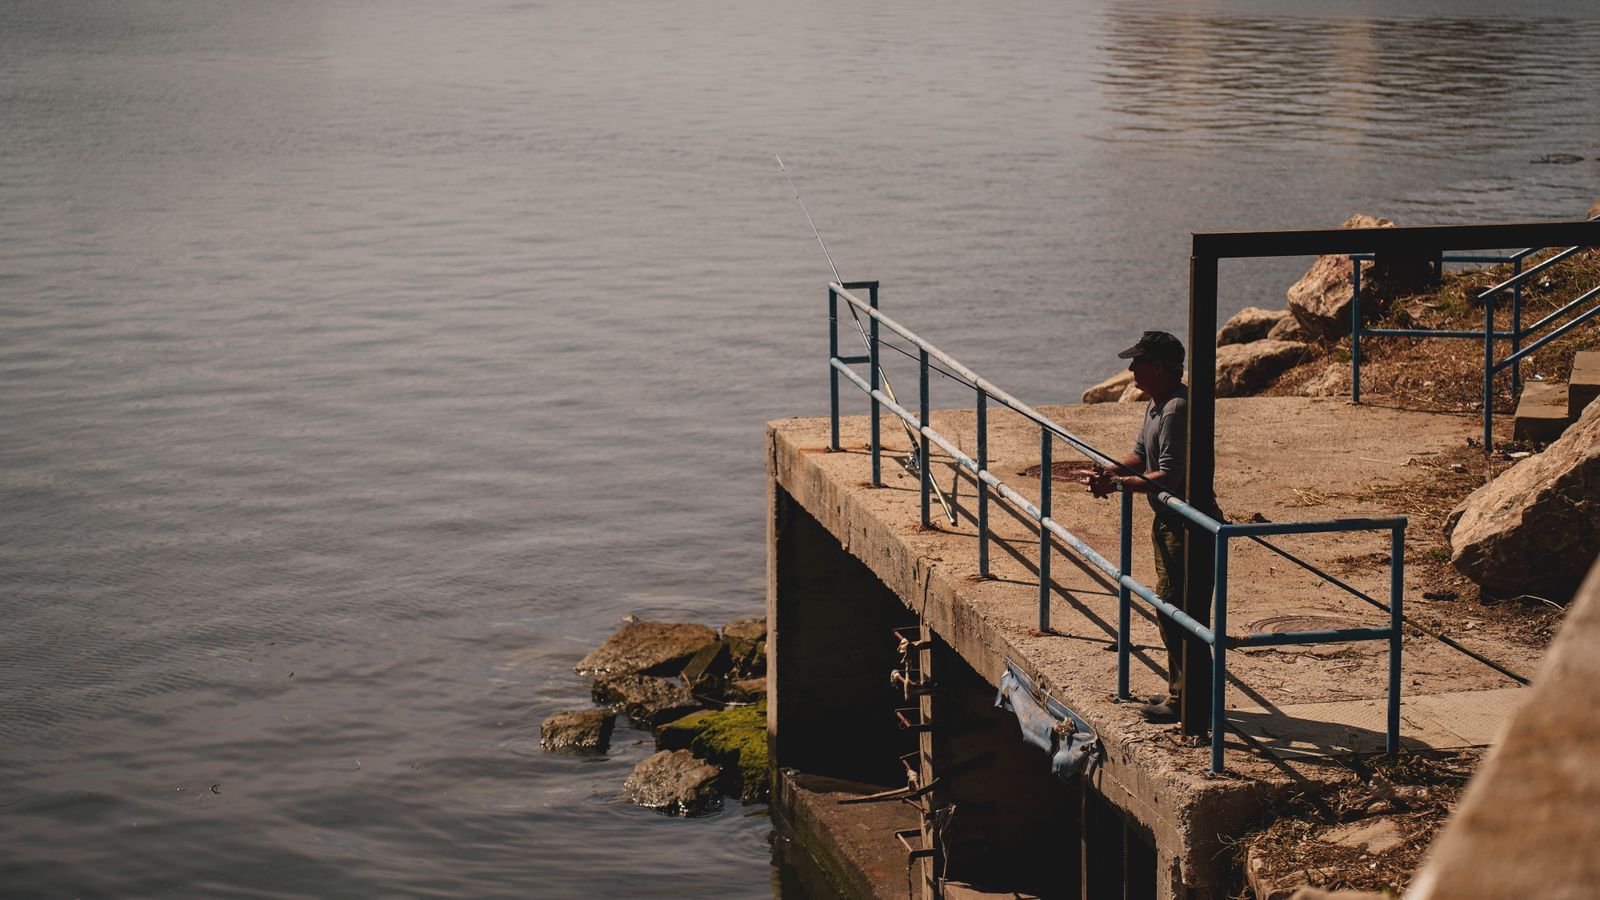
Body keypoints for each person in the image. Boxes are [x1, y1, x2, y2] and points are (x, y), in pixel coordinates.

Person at [1084, 330, 1208, 724]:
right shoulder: (1156, 406)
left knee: (1180, 612)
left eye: (1138, 362)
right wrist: (1110, 473)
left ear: (1158, 367)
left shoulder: (1175, 409)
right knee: (1173, 611)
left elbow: (1169, 476)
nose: (1131, 368)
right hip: (1169, 521)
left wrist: (1118, 485)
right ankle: (1183, 692)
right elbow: (1140, 455)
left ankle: (1190, 702)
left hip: (1187, 526)